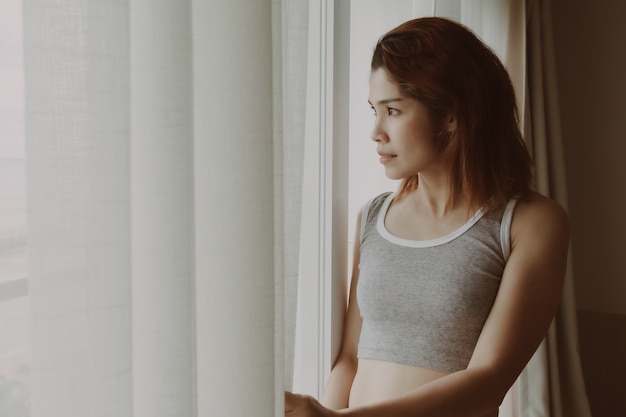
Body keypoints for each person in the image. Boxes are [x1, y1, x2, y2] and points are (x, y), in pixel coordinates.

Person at [285, 16, 569, 417]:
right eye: (374, 111)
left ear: (451, 115)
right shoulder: (374, 217)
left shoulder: (531, 222)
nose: (376, 132)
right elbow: (350, 357)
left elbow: (487, 382)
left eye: (394, 111)